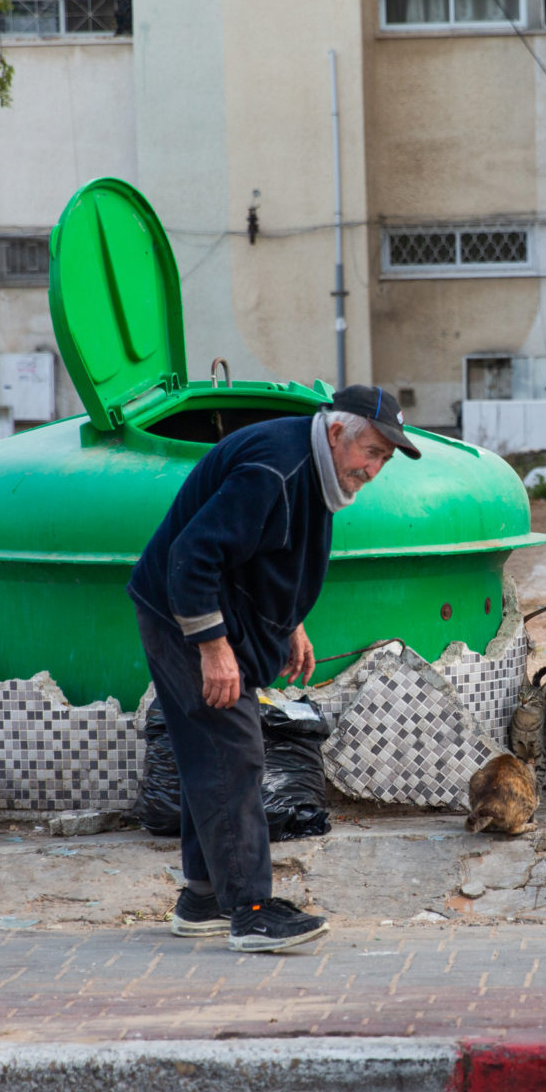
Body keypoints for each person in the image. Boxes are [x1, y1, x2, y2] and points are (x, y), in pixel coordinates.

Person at [127, 385, 419, 952]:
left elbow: (269, 551)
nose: (374, 470)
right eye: (372, 452)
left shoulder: (315, 463)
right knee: (233, 754)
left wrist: (289, 622)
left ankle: (204, 899)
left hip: (207, 610)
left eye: (384, 458)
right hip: (183, 614)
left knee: (209, 756)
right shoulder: (276, 468)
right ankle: (252, 911)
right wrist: (212, 647)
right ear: (337, 432)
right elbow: (193, 557)